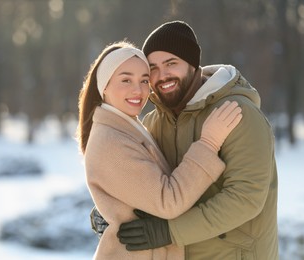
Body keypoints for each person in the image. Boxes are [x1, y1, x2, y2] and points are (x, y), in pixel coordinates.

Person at [108, 21, 279, 259]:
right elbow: (147, 185)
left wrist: (169, 231)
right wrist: (114, 211)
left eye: (171, 64)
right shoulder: (154, 122)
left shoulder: (238, 113)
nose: (162, 75)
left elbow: (245, 198)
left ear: (193, 64)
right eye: (153, 68)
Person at [77, 40, 242, 259]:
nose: (138, 90)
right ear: (104, 85)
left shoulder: (128, 128)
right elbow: (169, 201)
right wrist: (209, 142)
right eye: (126, 79)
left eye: (144, 80)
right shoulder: (111, 140)